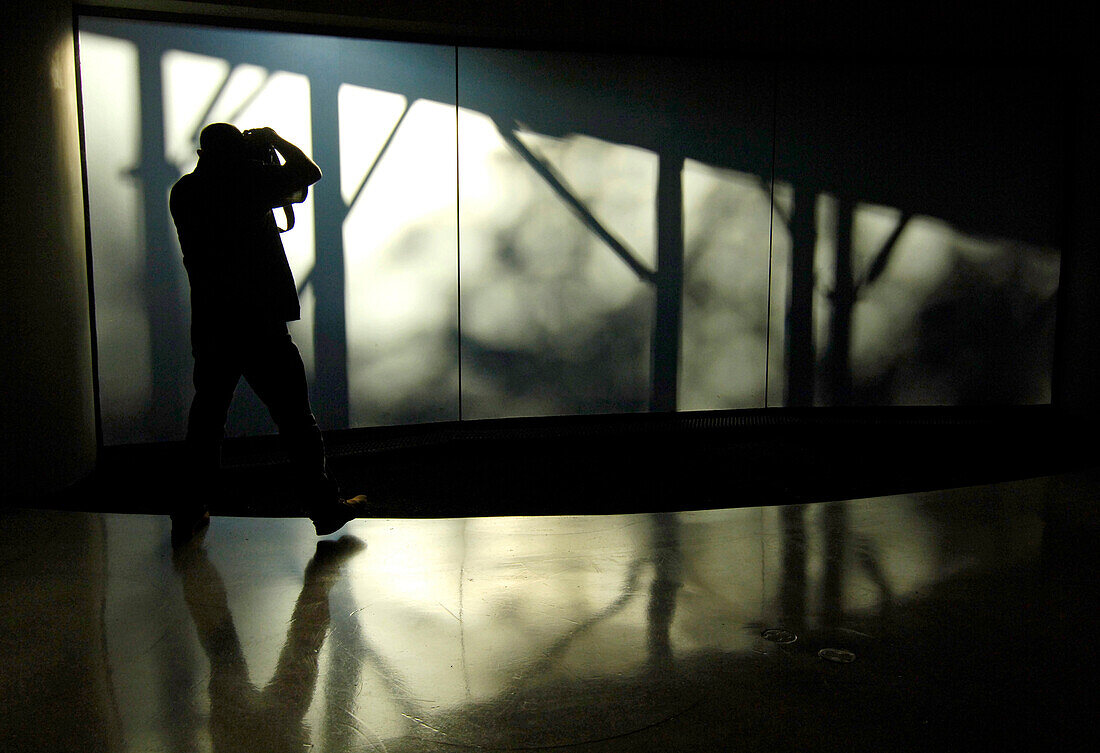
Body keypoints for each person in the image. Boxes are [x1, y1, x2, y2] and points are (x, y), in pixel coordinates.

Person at [169, 122, 367, 543]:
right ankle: (324, 507)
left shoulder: (184, 191)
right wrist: (274, 140)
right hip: (259, 323)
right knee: (295, 420)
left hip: (211, 324)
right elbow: (308, 174)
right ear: (234, 152)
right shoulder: (248, 181)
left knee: (207, 421)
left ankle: (189, 509)